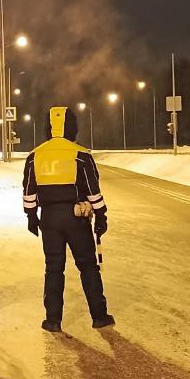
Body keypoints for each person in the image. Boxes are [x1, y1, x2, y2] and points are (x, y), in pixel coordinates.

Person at [22, 105, 114, 333]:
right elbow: (93, 191)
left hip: (49, 219)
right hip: (77, 218)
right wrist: (101, 215)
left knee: (53, 268)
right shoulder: (80, 154)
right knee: (88, 267)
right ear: (72, 127)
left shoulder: (36, 156)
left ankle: (53, 320)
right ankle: (99, 316)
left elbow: (28, 191)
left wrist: (31, 217)